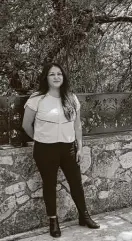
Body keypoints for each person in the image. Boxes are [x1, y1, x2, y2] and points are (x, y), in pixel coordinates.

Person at [22, 63, 99, 238]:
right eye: (52, 74)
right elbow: (26, 125)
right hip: (45, 149)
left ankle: (84, 216)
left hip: (68, 148)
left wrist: (80, 147)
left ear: (63, 77)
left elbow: (77, 125)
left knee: (76, 183)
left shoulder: (71, 98)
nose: (56, 77)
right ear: (46, 78)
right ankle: (53, 220)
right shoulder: (37, 99)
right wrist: (40, 138)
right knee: (49, 185)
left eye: (59, 74)